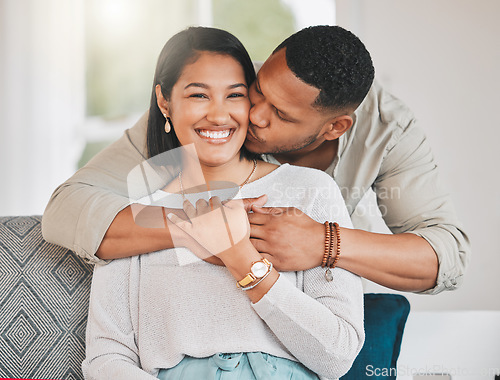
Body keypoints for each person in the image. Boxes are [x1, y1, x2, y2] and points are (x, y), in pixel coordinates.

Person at [42, 25, 470, 294]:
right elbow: (69, 206)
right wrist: (201, 226)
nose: (253, 115)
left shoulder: (388, 129)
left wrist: (324, 243)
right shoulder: (217, 104)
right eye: (259, 89)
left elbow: (446, 255)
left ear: (334, 128)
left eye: (281, 114)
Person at [81, 27, 364, 379]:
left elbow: (338, 355)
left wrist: (241, 258)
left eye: (235, 95)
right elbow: (106, 358)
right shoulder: (135, 209)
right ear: (164, 101)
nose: (218, 115)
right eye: (199, 95)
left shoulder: (311, 190)